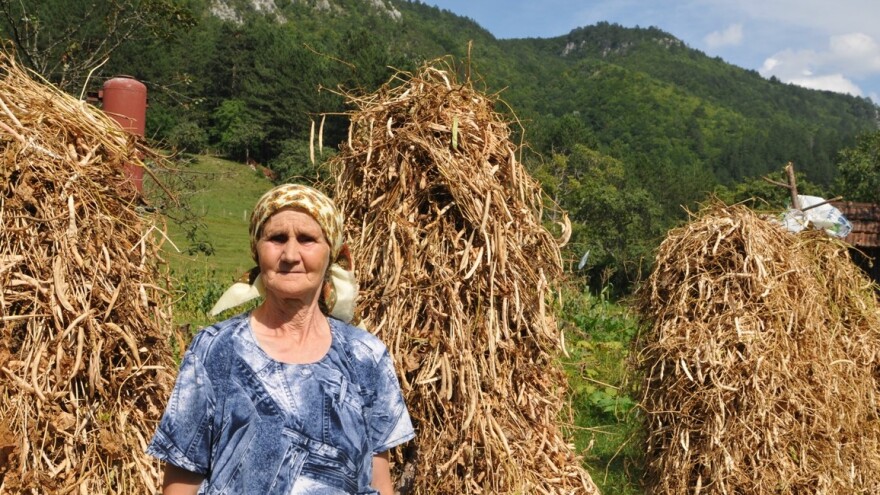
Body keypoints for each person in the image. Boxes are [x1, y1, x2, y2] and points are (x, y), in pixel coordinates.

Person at [147, 184, 415, 494]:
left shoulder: (365, 355)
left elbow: (378, 481)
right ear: (256, 250)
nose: (290, 254)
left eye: (307, 239)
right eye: (276, 239)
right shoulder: (214, 349)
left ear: (333, 253)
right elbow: (182, 478)